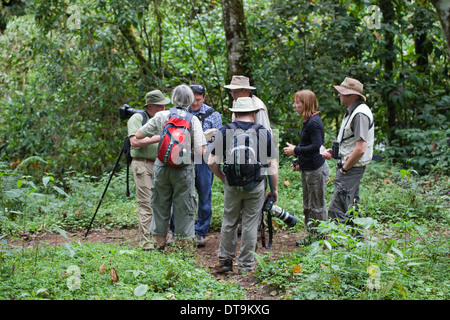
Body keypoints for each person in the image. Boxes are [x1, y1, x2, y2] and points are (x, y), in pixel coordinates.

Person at [208, 97, 278, 274]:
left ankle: (225, 261)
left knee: (229, 221)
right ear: (253, 114)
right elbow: (272, 165)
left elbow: (211, 162)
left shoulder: (224, 131)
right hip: (256, 186)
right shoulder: (262, 132)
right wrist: (274, 189)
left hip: (232, 184)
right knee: (250, 224)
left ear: (235, 114)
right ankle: (246, 266)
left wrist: (223, 178)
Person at [136, 85, 207, 249]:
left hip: (161, 166)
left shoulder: (162, 115)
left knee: (160, 205)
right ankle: (181, 251)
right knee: (184, 207)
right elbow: (199, 150)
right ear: (189, 100)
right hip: (183, 169)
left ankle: (159, 247)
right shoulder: (192, 119)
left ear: (173, 99)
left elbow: (140, 134)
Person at [323, 77, 374, 238]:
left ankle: (338, 245)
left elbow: (360, 149)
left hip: (350, 168)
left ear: (353, 95)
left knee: (336, 208)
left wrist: (345, 168)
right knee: (352, 205)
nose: (339, 95)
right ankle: (358, 242)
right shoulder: (354, 112)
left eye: (342, 92)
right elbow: (353, 143)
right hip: (350, 166)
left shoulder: (360, 114)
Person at [283, 90, 330, 246]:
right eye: (295, 102)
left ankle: (321, 240)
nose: (295, 105)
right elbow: (307, 145)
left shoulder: (314, 122)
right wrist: (299, 162)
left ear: (307, 104)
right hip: (308, 169)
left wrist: (295, 150)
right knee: (308, 207)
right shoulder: (309, 121)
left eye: (298, 102)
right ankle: (312, 237)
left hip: (316, 171)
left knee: (317, 207)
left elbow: (316, 146)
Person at [127, 89, 170, 250]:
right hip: (142, 164)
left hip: (160, 164)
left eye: (165, 106)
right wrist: (161, 136)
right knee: (146, 204)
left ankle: (160, 240)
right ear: (150, 106)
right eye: (160, 107)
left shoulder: (163, 119)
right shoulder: (137, 118)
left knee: (161, 203)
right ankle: (147, 243)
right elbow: (134, 142)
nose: (163, 110)